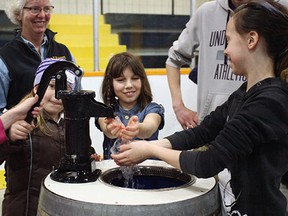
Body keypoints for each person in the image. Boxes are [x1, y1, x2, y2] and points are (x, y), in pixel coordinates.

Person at [112, 1, 288, 215]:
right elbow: (203, 132)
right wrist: (153, 144)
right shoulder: (244, 92)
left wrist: (149, 149)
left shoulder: (269, 102)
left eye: (228, 40)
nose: (225, 50)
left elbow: (207, 162)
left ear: (251, 40)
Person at [0, 58, 78, 216]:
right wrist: (10, 136)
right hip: (24, 209)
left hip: (57, 209)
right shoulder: (22, 121)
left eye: (65, 88)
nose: (57, 95)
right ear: (37, 88)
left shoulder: (72, 124)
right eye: (51, 87)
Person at [0, 0, 74, 113]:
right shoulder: (5, 57)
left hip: (58, 129)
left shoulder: (64, 51)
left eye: (47, 9)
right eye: (34, 9)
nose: (42, 15)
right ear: (18, 14)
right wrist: (10, 128)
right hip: (24, 129)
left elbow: (77, 99)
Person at [95, 52, 165, 159]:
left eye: (135, 78)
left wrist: (138, 128)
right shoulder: (103, 110)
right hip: (113, 173)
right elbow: (107, 129)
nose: (129, 85)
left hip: (148, 172)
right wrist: (112, 128)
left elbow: (150, 127)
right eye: (121, 80)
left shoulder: (153, 109)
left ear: (142, 80)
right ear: (110, 83)